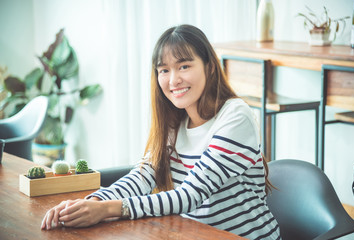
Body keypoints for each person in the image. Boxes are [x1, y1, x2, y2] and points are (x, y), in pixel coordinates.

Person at [41, 24, 281, 239]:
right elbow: (143, 176)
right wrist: (89, 203)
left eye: (184, 66)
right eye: (164, 70)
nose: (173, 79)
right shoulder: (174, 120)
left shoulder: (235, 116)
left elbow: (191, 195)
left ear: (209, 67)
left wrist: (109, 209)